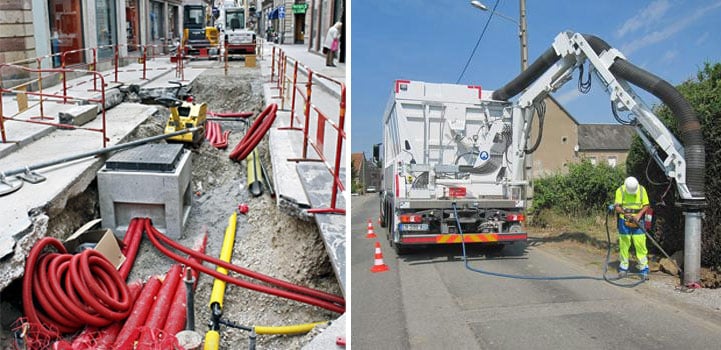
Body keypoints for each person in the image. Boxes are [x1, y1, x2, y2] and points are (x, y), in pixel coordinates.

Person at [613, 176, 650, 279]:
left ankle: (643, 269)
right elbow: (617, 207)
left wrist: (638, 215)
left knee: (640, 244)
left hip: (639, 220)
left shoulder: (641, 190)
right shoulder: (620, 190)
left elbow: (646, 205)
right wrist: (625, 213)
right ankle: (623, 268)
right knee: (624, 244)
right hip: (624, 220)